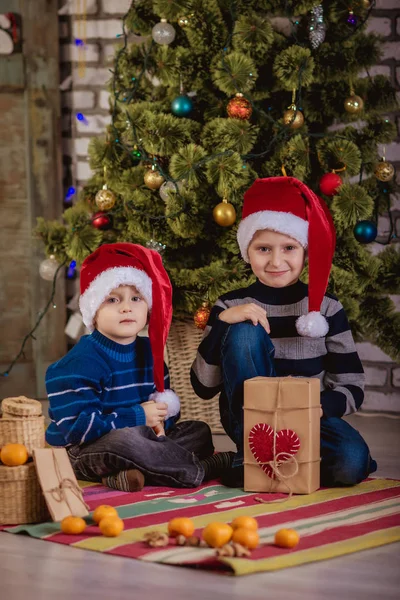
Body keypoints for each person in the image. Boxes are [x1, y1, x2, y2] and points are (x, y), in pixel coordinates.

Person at [191, 176, 377, 488]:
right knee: (246, 329)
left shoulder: (327, 309)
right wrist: (224, 321)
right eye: (263, 248)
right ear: (247, 251)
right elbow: (204, 387)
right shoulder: (231, 304)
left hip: (308, 419)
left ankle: (277, 462)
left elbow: (352, 386)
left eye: (289, 248)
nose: (276, 261)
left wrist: (321, 409)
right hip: (250, 424)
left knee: (351, 463)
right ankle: (251, 455)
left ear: (304, 251)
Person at [45, 243, 233, 491]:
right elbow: (77, 431)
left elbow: (164, 414)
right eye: (112, 299)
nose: (126, 307)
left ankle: (126, 474)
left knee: (198, 431)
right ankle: (199, 470)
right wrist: (138, 416)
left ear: (148, 307)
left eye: (136, 298)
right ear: (93, 311)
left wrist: (161, 421)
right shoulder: (78, 364)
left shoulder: (149, 352)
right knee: (126, 441)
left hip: (142, 440)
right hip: (83, 450)